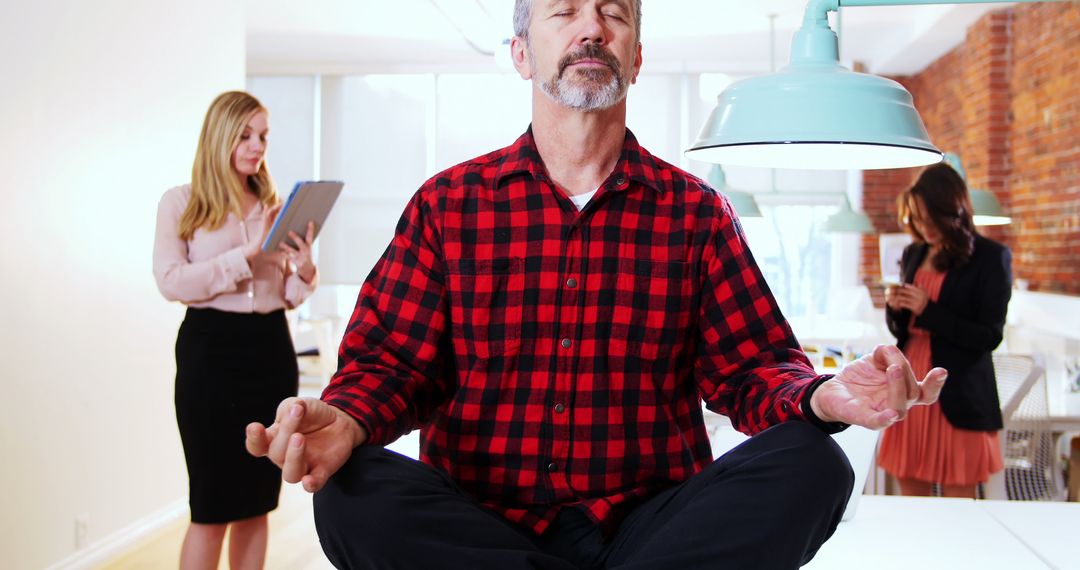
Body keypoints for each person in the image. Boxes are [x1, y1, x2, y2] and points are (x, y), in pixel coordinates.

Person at [246, 1, 947, 568]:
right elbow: (392, 364)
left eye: (614, 12)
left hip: (650, 528)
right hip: (482, 526)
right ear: (520, 53)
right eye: (565, 11)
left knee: (817, 466)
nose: (591, 27)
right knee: (350, 493)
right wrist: (348, 417)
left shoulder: (697, 214)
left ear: (636, 55)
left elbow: (754, 369)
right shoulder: (448, 205)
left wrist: (823, 395)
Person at [154, 90, 320, 569]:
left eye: (263, 136)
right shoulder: (181, 203)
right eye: (246, 135)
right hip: (210, 351)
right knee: (210, 507)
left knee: (256, 503)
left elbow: (287, 294)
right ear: (220, 135)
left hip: (269, 349)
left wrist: (302, 268)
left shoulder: (271, 205)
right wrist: (242, 257)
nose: (256, 145)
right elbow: (170, 282)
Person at [877, 162, 1012, 499]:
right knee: (911, 494)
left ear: (952, 209)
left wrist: (928, 310)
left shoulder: (990, 257)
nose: (923, 226)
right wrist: (896, 309)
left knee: (958, 500)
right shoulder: (914, 252)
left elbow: (988, 336)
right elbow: (903, 332)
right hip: (910, 383)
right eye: (916, 219)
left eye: (930, 217)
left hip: (959, 388)